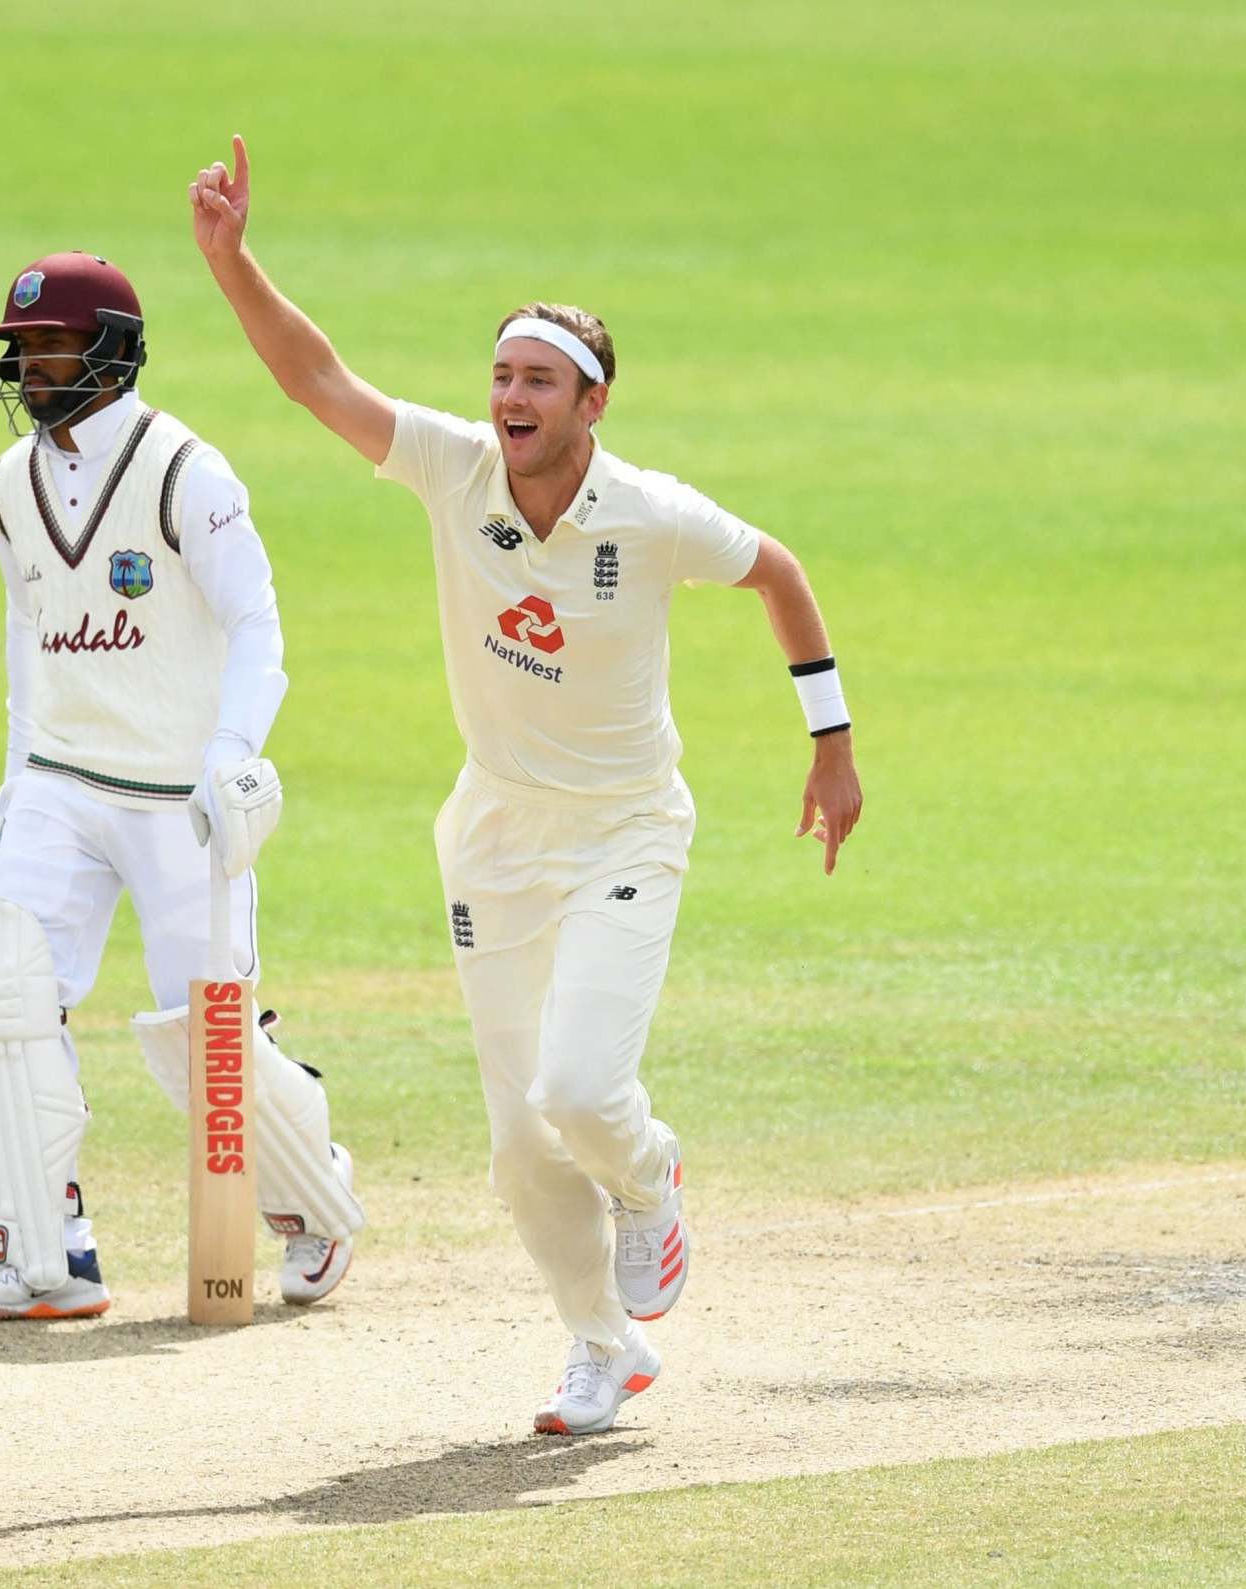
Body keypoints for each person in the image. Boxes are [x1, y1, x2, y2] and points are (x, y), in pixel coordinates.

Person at [189, 139, 863, 1432]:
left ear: (590, 404)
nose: (509, 396)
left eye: (537, 381)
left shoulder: (652, 514)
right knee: (516, 1141)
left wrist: (827, 743)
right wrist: (232, 263)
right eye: (499, 374)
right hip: (492, 832)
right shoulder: (453, 470)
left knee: (579, 1092)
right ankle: (598, 1347)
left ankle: (653, 1182)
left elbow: (778, 571)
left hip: (624, 827)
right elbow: (314, 378)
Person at [0, 249, 364, 1322]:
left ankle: (313, 1196)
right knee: (3, 988)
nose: (34, 366)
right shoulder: (5, 484)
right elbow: (25, 639)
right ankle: (46, 1247)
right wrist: (13, 781)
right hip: (61, 779)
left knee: (205, 1033)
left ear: (114, 352)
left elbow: (259, 623)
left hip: (179, 791)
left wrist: (230, 752)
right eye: (22, 348)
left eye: (54, 344)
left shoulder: (188, 474)